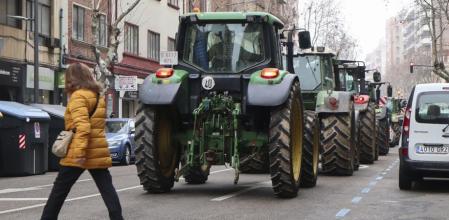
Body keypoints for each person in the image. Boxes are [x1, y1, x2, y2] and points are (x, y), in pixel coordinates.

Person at [41, 63, 123, 220]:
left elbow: (83, 127)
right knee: (107, 189)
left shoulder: (78, 96)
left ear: (72, 79)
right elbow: (97, 125)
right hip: (97, 150)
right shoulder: (98, 96)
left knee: (58, 192)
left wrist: (79, 153)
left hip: (79, 151)